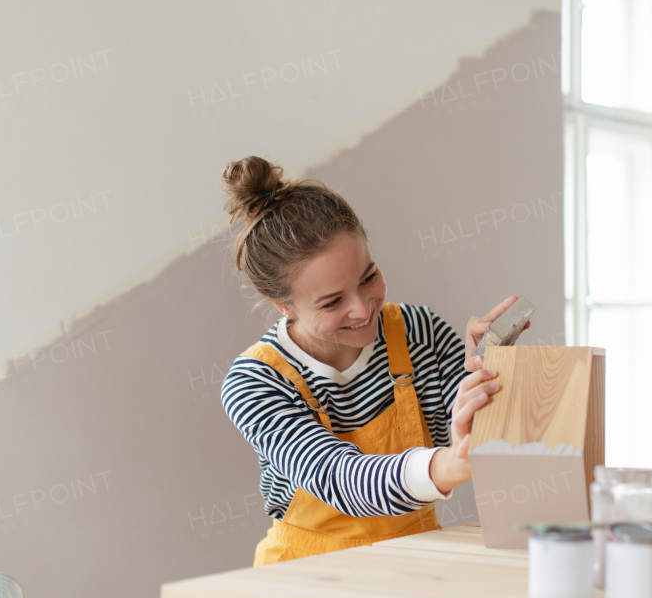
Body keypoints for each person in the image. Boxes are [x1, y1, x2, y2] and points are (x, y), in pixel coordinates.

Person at [218, 156, 530, 566]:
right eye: (332, 302)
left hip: (417, 559)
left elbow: (480, 439)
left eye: (368, 277)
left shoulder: (421, 333)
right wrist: (452, 465)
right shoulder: (255, 383)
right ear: (283, 306)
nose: (363, 309)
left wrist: (487, 367)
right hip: (305, 574)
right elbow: (342, 481)